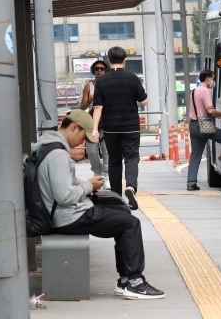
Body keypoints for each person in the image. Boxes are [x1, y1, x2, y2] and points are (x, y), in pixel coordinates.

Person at [33, 109, 165, 299]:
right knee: (130, 224)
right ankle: (135, 282)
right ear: (74, 127)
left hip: (61, 213)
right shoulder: (58, 155)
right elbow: (64, 196)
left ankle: (126, 281)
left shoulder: (47, 147)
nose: (83, 143)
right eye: (83, 136)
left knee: (121, 213)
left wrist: (86, 185)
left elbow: (61, 183)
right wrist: (87, 186)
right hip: (69, 217)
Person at [92, 47, 148, 210]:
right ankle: (131, 187)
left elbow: (97, 107)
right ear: (125, 60)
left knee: (114, 161)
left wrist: (95, 129)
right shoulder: (132, 78)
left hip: (110, 128)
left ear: (109, 61)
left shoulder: (102, 81)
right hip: (131, 127)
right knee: (131, 158)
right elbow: (144, 101)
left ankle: (117, 197)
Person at [187, 69, 221, 191]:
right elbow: (210, 110)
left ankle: (191, 183)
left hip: (193, 125)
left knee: (195, 155)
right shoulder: (205, 91)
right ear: (207, 79)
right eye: (213, 79)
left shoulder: (193, 91)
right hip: (204, 125)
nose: (213, 82)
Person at [81, 60, 110, 190]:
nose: (99, 71)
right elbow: (82, 107)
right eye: (97, 68)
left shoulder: (110, 85)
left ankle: (106, 176)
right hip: (92, 123)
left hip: (107, 122)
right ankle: (97, 174)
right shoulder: (89, 87)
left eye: (102, 69)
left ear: (105, 70)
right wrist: (89, 100)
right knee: (92, 151)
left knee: (107, 151)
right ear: (93, 71)